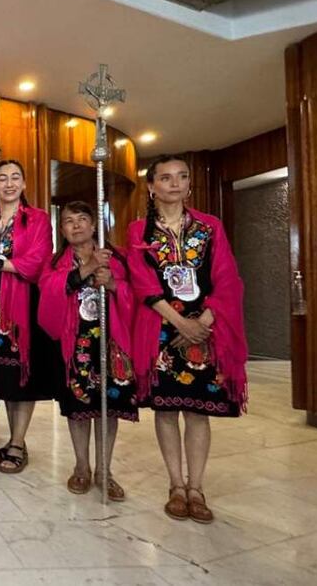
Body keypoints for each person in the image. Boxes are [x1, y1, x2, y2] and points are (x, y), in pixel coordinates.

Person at [128, 155, 247, 524]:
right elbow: (142, 281)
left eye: (181, 177)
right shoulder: (139, 231)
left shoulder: (210, 227)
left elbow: (226, 277)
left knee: (197, 411)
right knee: (166, 409)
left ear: (189, 184)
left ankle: (197, 488)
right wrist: (179, 321)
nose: (174, 183)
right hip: (163, 329)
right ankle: (175, 486)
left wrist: (204, 321)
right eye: (165, 178)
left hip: (205, 329)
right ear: (152, 186)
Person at [38, 201, 137, 501]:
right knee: (79, 409)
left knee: (108, 408)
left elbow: (138, 294)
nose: (77, 225)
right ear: (63, 229)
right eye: (69, 221)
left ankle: (104, 471)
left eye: (83, 219)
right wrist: (88, 268)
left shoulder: (117, 256)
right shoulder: (56, 263)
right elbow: (49, 292)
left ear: (95, 225)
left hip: (111, 344)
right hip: (75, 346)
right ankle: (81, 466)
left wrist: (115, 284)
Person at [0, 159, 58, 475]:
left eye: (15, 177)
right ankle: (16, 439)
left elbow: (37, 261)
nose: (8, 183)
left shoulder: (38, 219)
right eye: (2, 178)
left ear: (24, 184)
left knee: (22, 374)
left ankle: (18, 442)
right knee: (4, 373)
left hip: (22, 304)